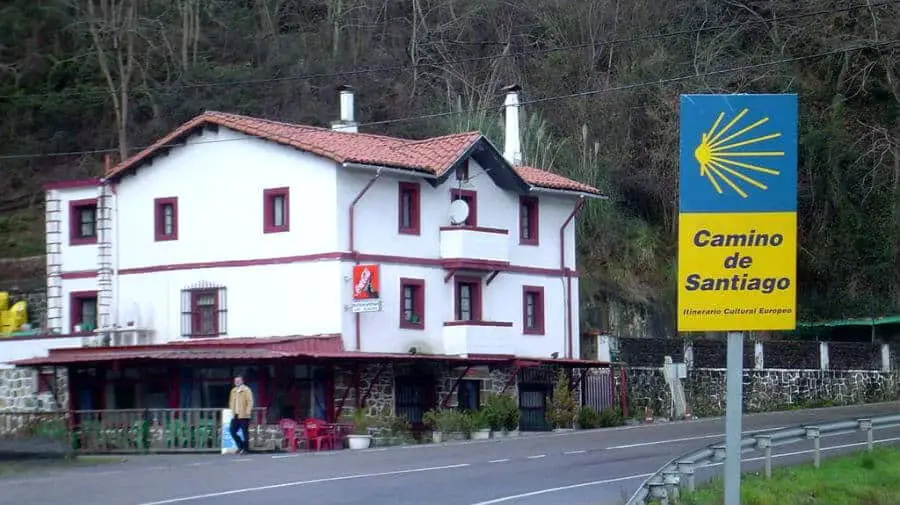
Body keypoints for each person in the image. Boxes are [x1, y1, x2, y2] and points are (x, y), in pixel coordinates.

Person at [228, 375, 254, 454]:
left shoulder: (246, 390)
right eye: (235, 381)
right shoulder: (233, 390)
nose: (237, 382)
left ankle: (246, 449)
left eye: (238, 381)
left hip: (244, 415)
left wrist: (248, 411)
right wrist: (232, 411)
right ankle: (241, 446)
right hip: (235, 414)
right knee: (232, 431)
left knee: (244, 433)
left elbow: (250, 401)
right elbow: (231, 401)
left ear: (242, 381)